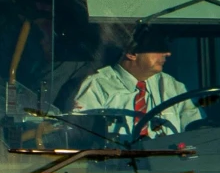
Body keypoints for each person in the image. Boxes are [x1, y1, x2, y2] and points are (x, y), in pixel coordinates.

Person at [70, 28, 200, 139]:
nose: (167, 53)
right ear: (131, 53)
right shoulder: (96, 86)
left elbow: (197, 130)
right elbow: (80, 135)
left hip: (170, 165)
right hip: (117, 166)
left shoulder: (172, 86)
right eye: (158, 48)